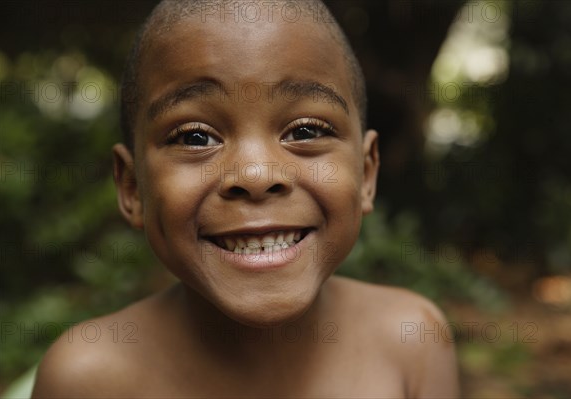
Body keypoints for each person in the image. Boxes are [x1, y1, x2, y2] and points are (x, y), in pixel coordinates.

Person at [32, 1, 459, 397]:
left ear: (366, 173)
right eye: (195, 137)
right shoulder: (88, 379)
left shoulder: (411, 340)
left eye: (306, 131)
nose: (255, 176)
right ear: (131, 188)